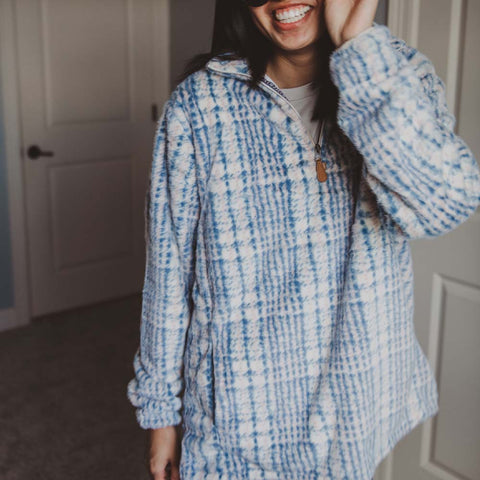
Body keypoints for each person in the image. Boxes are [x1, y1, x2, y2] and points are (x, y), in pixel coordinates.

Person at [127, 0, 480, 478]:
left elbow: (445, 204)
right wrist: (161, 414)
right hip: (238, 421)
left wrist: (358, 53)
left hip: (353, 411)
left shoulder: (397, 76)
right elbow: (168, 275)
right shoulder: (198, 105)